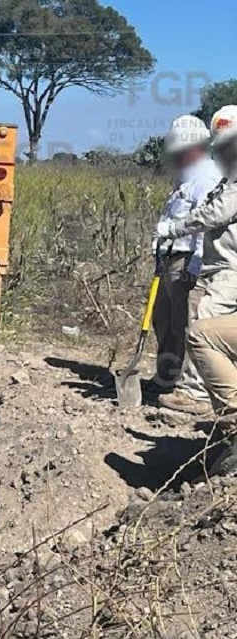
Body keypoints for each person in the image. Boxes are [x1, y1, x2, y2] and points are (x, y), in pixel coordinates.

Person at [156, 107, 237, 465]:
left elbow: (213, 216)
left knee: (202, 327)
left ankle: (199, 396)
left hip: (228, 270)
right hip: (216, 266)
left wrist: (178, 236)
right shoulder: (217, 178)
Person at [152, 115, 223, 415]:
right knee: (163, 321)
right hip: (169, 259)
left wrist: (195, 264)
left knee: (188, 327)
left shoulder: (209, 175)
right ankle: (166, 378)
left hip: (187, 263)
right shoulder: (184, 175)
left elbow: (204, 225)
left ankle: (194, 392)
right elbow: (173, 218)